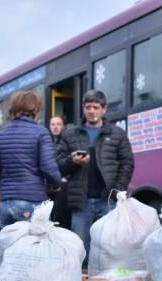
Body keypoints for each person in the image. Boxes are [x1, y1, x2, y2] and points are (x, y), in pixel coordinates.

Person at [57, 89, 134, 266]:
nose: (91, 111)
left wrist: (116, 191)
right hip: (80, 202)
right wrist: (72, 160)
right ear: (83, 109)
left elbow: (127, 163)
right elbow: (58, 163)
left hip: (107, 200)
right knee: (80, 249)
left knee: (108, 248)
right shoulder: (71, 134)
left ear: (104, 109)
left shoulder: (116, 134)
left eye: (96, 107)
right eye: (88, 107)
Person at [0, 90, 62, 228]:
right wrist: (56, 184)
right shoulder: (41, 133)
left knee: (9, 247)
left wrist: (1, 191)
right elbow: (49, 168)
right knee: (36, 247)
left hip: (6, 204)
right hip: (33, 201)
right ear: (36, 110)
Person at [48, 115, 72, 229]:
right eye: (53, 124)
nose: (55, 127)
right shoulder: (49, 144)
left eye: (58, 124)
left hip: (64, 189)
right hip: (53, 188)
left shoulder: (68, 142)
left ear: (64, 126)